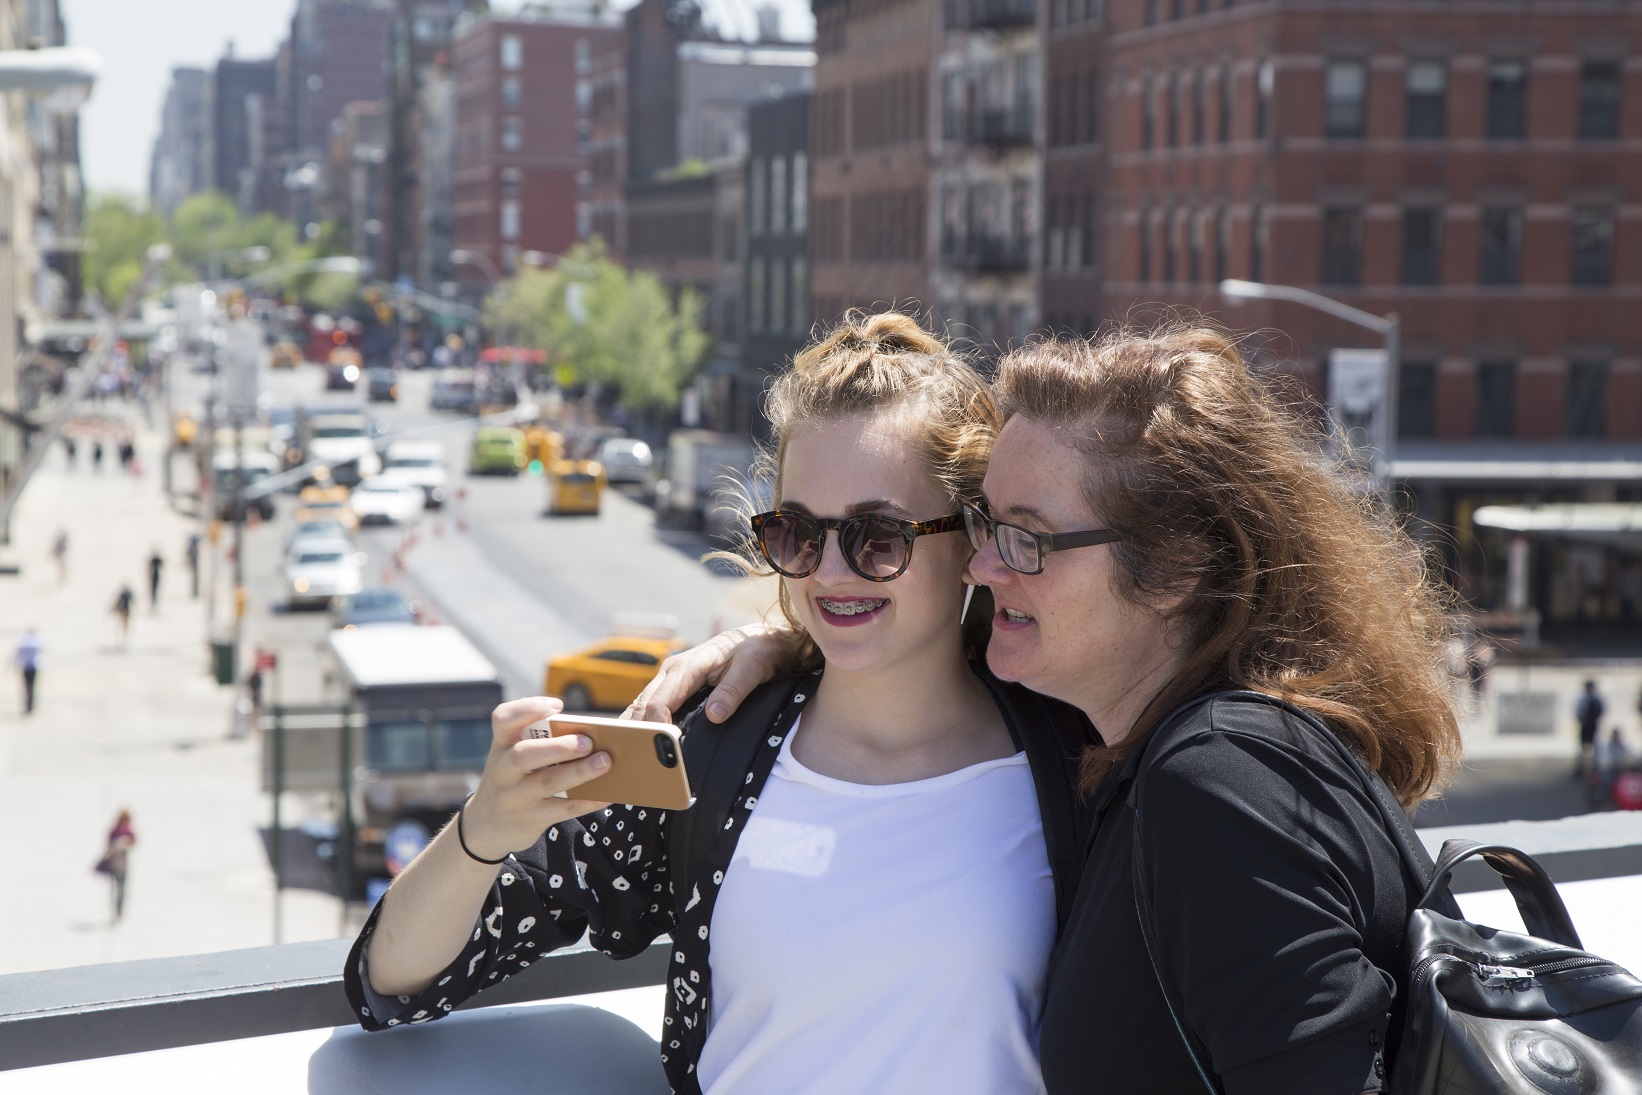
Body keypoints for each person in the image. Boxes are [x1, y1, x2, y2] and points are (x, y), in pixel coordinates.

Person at [639, 326, 1464, 1093]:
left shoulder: (1217, 784)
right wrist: (792, 641)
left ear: (1174, 571)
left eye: (1025, 539)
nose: (982, 564)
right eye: (985, 525)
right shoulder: (1153, 753)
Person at [343, 312, 1090, 1095]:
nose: (831, 571)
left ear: (971, 538)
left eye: (878, 535)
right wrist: (484, 829)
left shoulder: (1074, 755)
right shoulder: (716, 750)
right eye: (798, 533)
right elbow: (392, 981)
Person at [100, 809, 137, 922]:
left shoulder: (122, 830)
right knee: (117, 886)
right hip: (117, 861)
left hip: (121, 861)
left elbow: (132, 842)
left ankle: (118, 910)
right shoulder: (119, 830)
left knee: (119, 887)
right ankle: (116, 910)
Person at [1575, 679, 1605, 777]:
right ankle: (1581, 768)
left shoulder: (1595, 699)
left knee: (1595, 747)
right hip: (1586, 725)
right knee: (1583, 747)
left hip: (1593, 725)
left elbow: (1601, 711)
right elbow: (1578, 712)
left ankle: (1594, 768)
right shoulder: (1583, 699)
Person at [13, 627, 41, 715]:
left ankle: (29, 706)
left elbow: (18, 655)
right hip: (31, 667)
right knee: (30, 687)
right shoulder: (35, 642)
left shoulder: (25, 642)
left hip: (28, 667)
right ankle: (29, 706)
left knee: (28, 687)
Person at [186, 533, 201, 599]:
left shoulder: (194, 546)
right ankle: (195, 592)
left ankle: (195, 592)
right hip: (194, 560)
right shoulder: (193, 547)